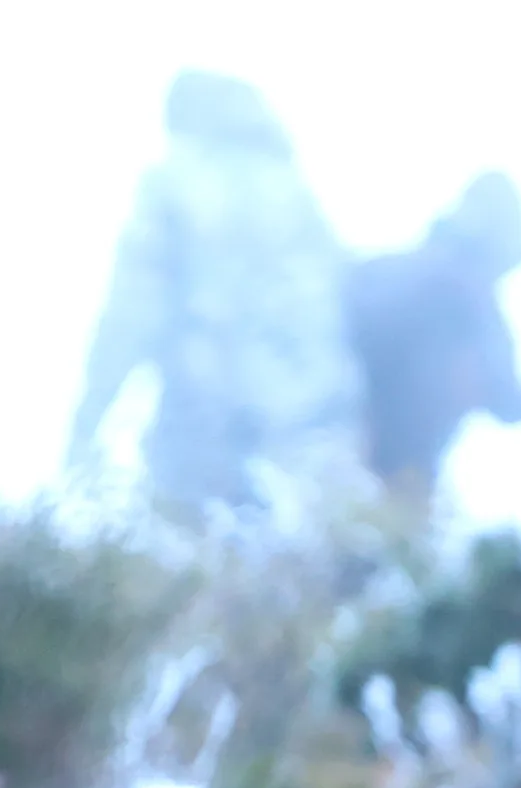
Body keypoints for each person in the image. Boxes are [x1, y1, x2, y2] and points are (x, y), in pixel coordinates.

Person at [69, 72, 360, 511]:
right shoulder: (296, 193)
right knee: (305, 541)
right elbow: (341, 307)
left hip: (204, 419)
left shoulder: (174, 180)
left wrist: (87, 422)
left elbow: (132, 309)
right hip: (310, 424)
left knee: (191, 544)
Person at [344, 172, 521, 497]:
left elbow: (505, 401)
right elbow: (506, 402)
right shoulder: (474, 305)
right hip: (383, 459)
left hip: (384, 459)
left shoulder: (388, 269)